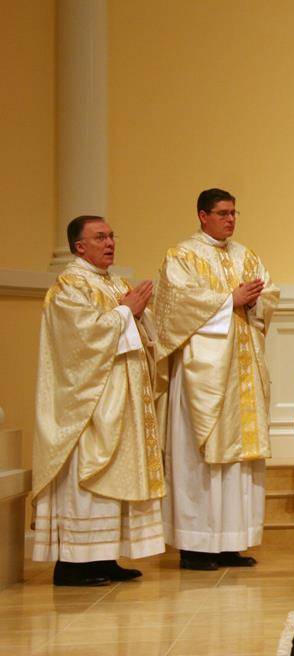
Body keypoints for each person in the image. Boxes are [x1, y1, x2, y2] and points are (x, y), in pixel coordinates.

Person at [31, 215, 164, 586]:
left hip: (120, 402)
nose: (110, 242)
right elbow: (79, 342)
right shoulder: (69, 285)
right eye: (100, 237)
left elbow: (138, 329)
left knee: (114, 479)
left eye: (111, 236)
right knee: (87, 478)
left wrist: (139, 316)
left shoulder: (114, 283)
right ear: (79, 246)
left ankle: (103, 557)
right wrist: (126, 312)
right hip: (88, 406)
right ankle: (73, 564)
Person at [154, 188, 279, 570]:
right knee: (200, 458)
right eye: (223, 213)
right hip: (203, 376)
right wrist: (230, 300)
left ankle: (229, 542)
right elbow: (175, 306)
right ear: (202, 215)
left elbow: (268, 291)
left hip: (241, 370)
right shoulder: (182, 256)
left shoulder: (246, 255)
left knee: (239, 461)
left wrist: (257, 300)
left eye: (234, 213)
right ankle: (195, 546)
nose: (230, 220)